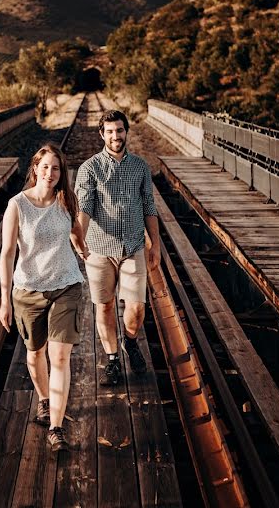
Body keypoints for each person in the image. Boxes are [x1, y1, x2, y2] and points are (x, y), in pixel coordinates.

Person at [0, 143, 89, 452]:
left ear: (61, 173)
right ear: (35, 168)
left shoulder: (65, 199)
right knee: (36, 354)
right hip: (28, 291)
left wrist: (81, 247)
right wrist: (4, 300)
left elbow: (75, 229)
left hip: (66, 284)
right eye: (45, 167)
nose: (51, 173)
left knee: (60, 357)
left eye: (56, 168)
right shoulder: (17, 205)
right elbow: (8, 252)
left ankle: (56, 426)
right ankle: (45, 398)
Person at [75, 109, 160, 386]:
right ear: (102, 134)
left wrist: (155, 244)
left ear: (126, 132)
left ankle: (131, 342)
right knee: (105, 306)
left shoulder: (140, 167)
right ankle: (112, 359)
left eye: (119, 130)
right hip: (99, 250)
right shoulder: (90, 169)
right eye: (110, 131)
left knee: (136, 310)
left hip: (133, 246)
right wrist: (79, 235)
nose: (115, 136)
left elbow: (149, 206)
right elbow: (85, 208)